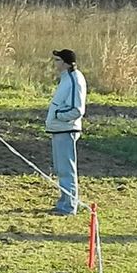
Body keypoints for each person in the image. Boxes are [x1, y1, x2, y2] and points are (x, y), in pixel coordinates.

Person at [46, 49, 87, 215]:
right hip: (60, 129)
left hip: (66, 129)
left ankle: (69, 207)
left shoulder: (73, 79)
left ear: (65, 63)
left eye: (57, 60)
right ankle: (64, 201)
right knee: (61, 169)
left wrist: (57, 116)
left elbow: (76, 109)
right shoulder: (66, 79)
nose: (55, 63)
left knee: (67, 170)